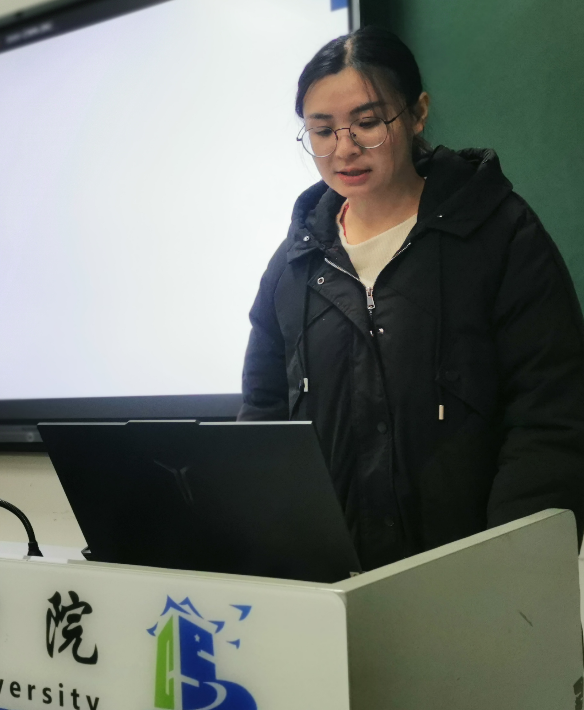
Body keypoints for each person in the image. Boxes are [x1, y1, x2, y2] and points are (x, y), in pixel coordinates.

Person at [238, 25, 584, 570]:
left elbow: (551, 415)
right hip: (336, 584)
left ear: (417, 113)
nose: (344, 148)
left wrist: (510, 570)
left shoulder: (498, 234)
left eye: (368, 123)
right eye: (322, 131)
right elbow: (264, 418)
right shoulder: (295, 264)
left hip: (474, 579)